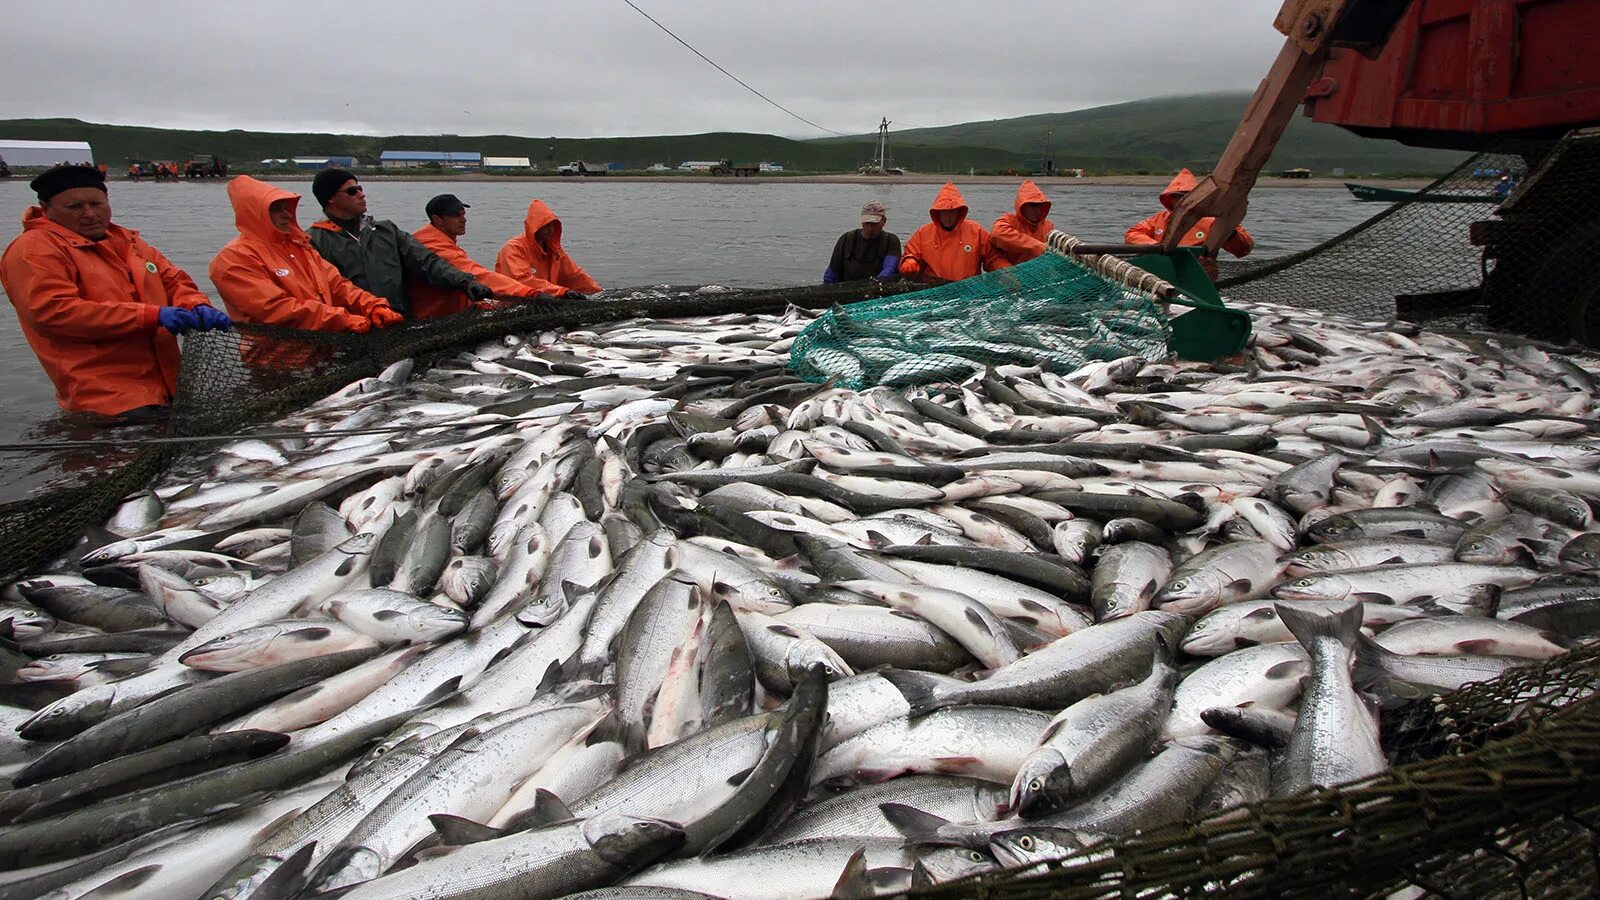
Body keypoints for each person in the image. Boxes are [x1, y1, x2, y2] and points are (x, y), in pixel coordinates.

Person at [0, 165, 230, 417]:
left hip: (167, 388)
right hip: (104, 398)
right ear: (47, 209)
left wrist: (196, 304)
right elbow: (51, 312)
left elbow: (174, 281)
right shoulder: (35, 249)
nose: (89, 214)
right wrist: (151, 316)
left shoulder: (130, 242)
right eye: (74, 207)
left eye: (96, 204)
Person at [210, 176, 399, 332]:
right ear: (254, 213)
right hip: (274, 362)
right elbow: (273, 309)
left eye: (286, 207)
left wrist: (373, 305)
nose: (286, 214)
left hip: (323, 353)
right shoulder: (235, 258)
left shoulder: (300, 247)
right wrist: (343, 319)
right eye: (275, 209)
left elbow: (338, 286)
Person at [306, 169, 495, 318]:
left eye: (360, 188)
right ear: (330, 198)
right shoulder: (313, 242)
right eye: (352, 191)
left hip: (398, 322)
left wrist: (466, 282)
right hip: (351, 328)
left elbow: (427, 262)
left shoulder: (387, 231)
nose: (361, 195)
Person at [410, 194, 544, 319]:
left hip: (453, 310)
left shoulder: (438, 240)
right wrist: (531, 293)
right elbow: (476, 274)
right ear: (437, 219)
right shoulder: (432, 245)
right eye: (456, 216)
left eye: (463, 214)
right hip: (435, 317)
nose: (463, 220)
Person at [1124, 168, 1253, 280]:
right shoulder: (1159, 219)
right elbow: (1133, 233)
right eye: (1177, 196)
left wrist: (1229, 234)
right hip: (1160, 275)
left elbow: (1244, 249)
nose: (1182, 201)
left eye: (1186, 196)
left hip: (1198, 277)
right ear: (1170, 199)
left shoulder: (1213, 220)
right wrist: (1156, 247)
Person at [898, 182, 1010, 284]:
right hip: (934, 289)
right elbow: (911, 252)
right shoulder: (923, 233)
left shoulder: (976, 231)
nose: (948, 217)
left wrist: (1005, 271)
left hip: (970, 289)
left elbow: (994, 258)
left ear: (959, 212)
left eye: (952, 212)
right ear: (937, 212)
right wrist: (910, 261)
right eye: (944, 212)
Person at [495, 200, 600, 299]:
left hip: (542, 301)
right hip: (512, 303)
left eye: (552, 225)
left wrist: (598, 293)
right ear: (534, 227)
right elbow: (522, 280)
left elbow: (575, 276)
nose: (550, 230)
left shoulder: (554, 251)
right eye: (545, 226)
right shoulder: (514, 248)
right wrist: (561, 292)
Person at [823, 200, 900, 284]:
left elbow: (889, 268)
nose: (870, 228)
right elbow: (832, 271)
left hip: (878, 286)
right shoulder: (846, 239)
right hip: (847, 286)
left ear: (884, 221)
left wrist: (876, 284)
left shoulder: (890, 241)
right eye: (867, 223)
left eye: (874, 224)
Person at [991, 180, 1055, 265]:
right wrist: (1037, 246)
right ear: (1022, 206)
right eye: (1032, 205)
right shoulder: (1008, 220)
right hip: (1013, 273)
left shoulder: (1048, 226)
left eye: (1040, 205)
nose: (1037, 210)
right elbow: (997, 234)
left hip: (1040, 274)